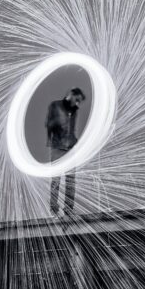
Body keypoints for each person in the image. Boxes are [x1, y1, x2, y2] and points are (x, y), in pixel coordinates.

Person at [46, 87, 85, 215]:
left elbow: (72, 130)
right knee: (56, 180)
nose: (78, 104)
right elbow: (49, 124)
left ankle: (68, 210)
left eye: (79, 102)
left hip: (70, 150)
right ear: (71, 95)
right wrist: (59, 122)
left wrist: (75, 142)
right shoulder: (55, 105)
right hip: (57, 148)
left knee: (71, 181)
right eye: (77, 100)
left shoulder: (74, 111)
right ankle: (54, 209)